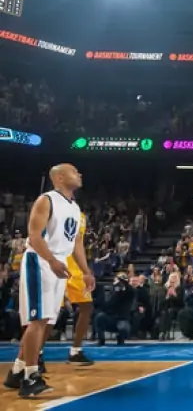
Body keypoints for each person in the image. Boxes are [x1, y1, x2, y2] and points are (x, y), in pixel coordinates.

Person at [4, 164, 94, 398]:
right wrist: (52, 261)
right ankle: (30, 377)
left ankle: (17, 370)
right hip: (40, 261)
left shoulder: (74, 207)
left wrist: (85, 271)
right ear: (61, 177)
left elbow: (76, 244)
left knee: (48, 322)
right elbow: (34, 237)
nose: (80, 174)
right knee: (38, 319)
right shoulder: (47, 200)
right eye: (76, 171)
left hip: (58, 263)